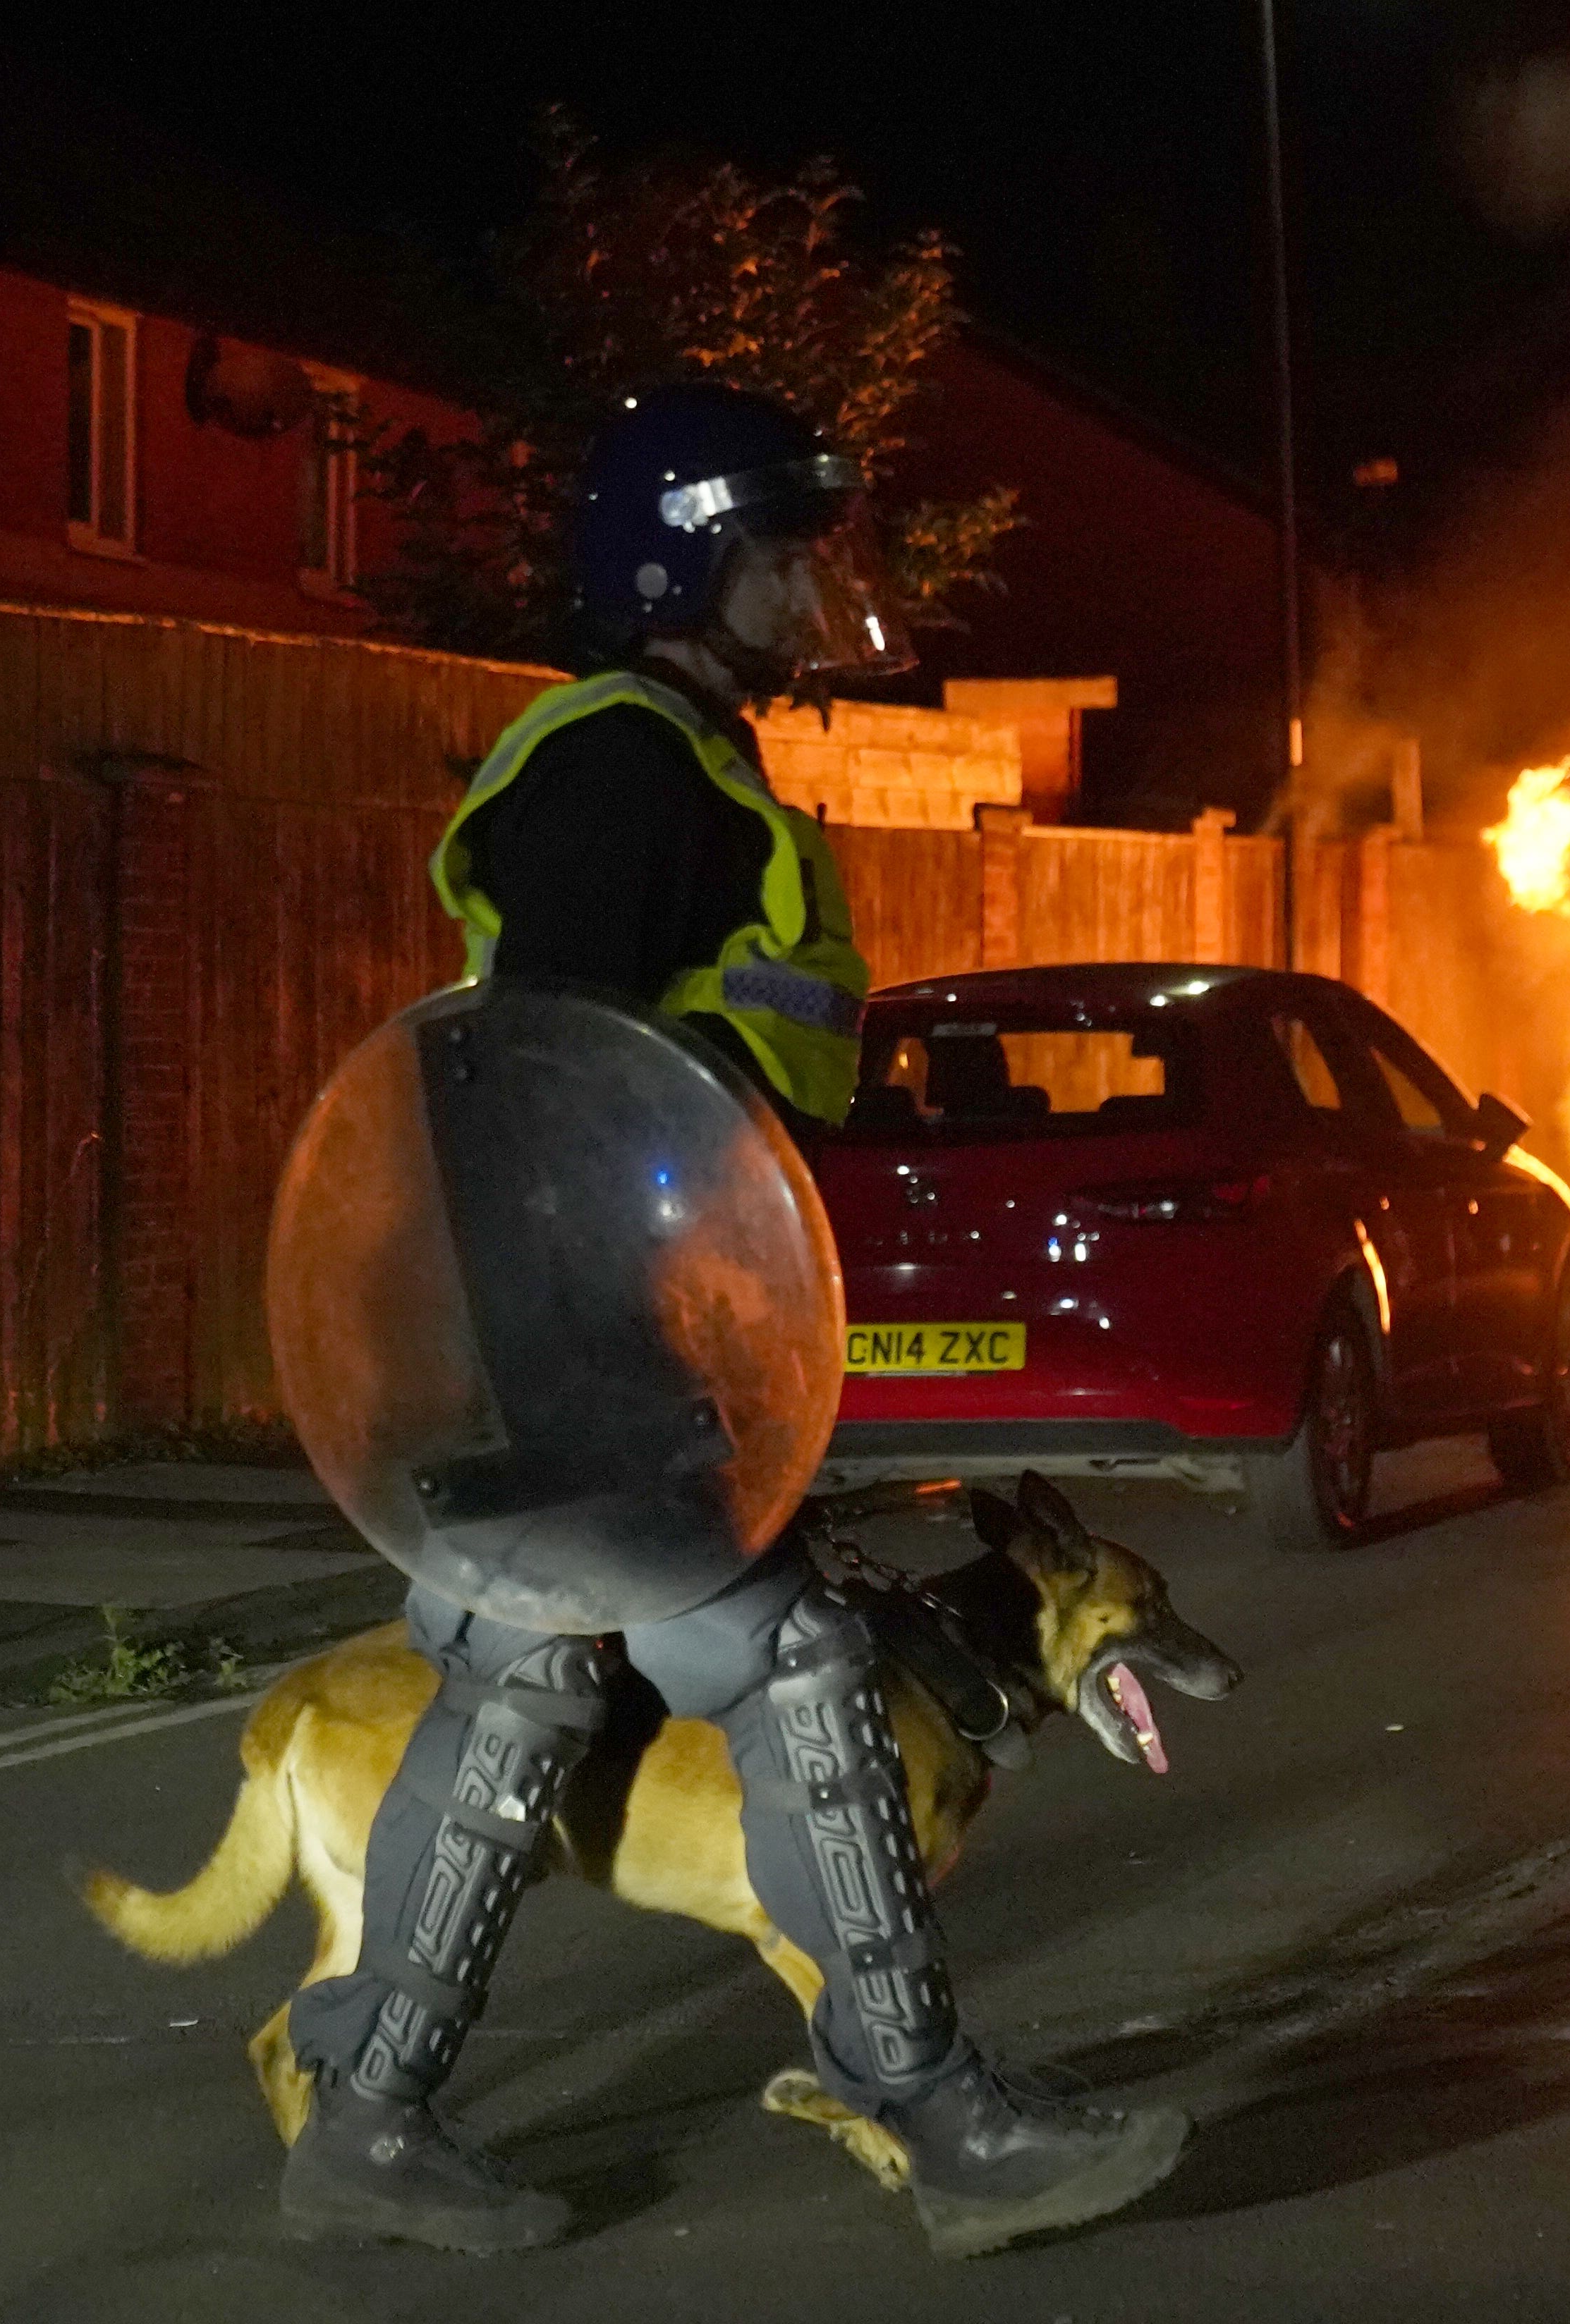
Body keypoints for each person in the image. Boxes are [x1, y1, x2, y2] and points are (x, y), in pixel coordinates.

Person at [275, 383, 1190, 2258]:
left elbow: (671, 1089)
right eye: (781, 554)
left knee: (520, 1679)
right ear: (687, 562)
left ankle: (367, 2118)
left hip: (581, 1348)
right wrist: (613, 1370)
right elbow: (546, 1091)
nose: (811, 587)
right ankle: (930, 2109)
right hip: (591, 1354)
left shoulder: (680, 764)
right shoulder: (622, 768)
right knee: (795, 1670)